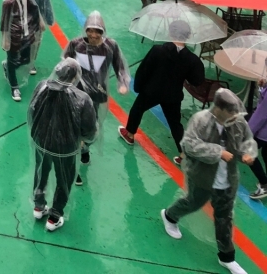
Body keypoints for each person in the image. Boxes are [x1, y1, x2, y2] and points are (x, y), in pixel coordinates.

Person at [161, 89, 257, 274]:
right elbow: (188, 145)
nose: (235, 116)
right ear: (219, 109)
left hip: (228, 179)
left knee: (225, 217)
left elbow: (248, 140)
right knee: (193, 202)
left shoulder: (237, 121)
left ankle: (226, 257)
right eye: (231, 112)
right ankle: (170, 216)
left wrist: (248, 153)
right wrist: (217, 152)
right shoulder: (200, 120)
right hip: (202, 176)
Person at [119, 20, 205, 167]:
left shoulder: (157, 50)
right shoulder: (192, 59)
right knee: (175, 124)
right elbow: (196, 80)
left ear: (171, 33)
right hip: (173, 96)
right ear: (188, 36)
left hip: (151, 91)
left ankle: (130, 134)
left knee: (137, 109)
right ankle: (184, 154)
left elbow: (144, 70)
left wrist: (139, 87)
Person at [29, 58, 98, 232]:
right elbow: (89, 129)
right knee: (64, 179)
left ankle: (38, 206)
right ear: (76, 76)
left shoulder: (41, 87)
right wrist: (86, 142)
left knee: (41, 172)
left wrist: (37, 133)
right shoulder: (82, 98)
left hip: (41, 141)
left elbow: (32, 111)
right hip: (66, 148)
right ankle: (54, 216)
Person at [62, 12, 129, 184]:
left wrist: (123, 83)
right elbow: (65, 62)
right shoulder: (76, 45)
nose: (93, 34)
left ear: (103, 31)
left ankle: (84, 151)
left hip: (97, 96)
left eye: (97, 31)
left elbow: (120, 66)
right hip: (76, 94)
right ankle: (74, 167)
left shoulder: (110, 46)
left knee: (91, 129)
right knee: (74, 130)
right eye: (90, 30)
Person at [0, 0, 42, 102]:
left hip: (27, 32)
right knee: (13, 60)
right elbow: (4, 22)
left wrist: (39, 22)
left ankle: (8, 65)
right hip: (14, 36)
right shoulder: (8, 2)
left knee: (26, 58)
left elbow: (34, 8)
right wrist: (5, 39)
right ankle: (14, 86)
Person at [23, 0, 55, 76]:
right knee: (24, 41)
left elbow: (45, 0)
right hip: (24, 19)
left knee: (36, 42)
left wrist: (48, 17)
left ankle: (31, 62)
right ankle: (21, 60)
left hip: (37, 19)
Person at [242, 80, 267, 200]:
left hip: (264, 132)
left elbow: (261, 115)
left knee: (249, 153)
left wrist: (247, 132)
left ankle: (264, 183)